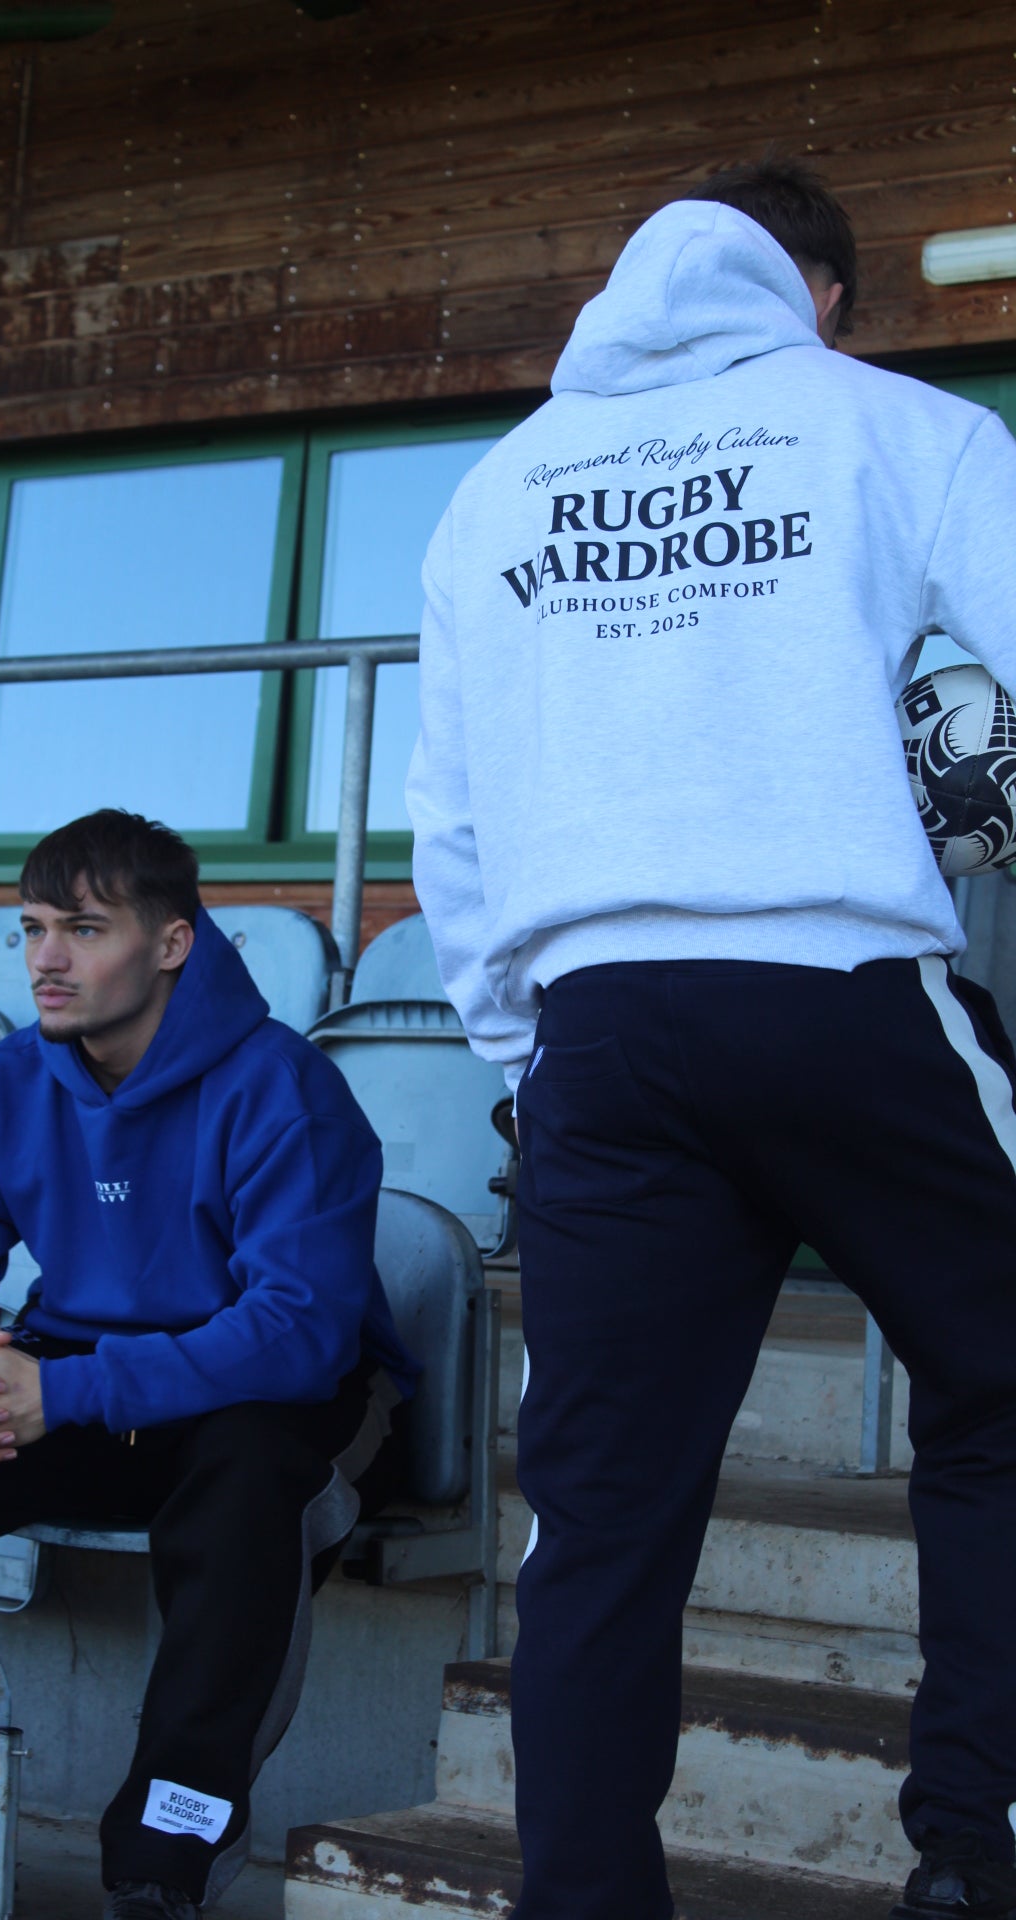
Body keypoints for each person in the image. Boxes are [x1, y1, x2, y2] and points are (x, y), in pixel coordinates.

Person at [405, 159, 1016, 1920]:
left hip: (596, 1031)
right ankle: (975, 1847)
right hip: (841, 988)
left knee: (599, 1517)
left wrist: (523, 1049)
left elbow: (448, 818)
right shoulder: (905, 427)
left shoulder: (495, 490)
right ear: (817, 295)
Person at [0, 807, 417, 1920]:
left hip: (274, 1397)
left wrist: (63, 1390)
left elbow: (298, 1331)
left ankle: (162, 1860)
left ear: (172, 942)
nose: (46, 959)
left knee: (248, 1474)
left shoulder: (283, 1090)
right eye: (34, 928)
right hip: (82, 1392)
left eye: (84, 929)